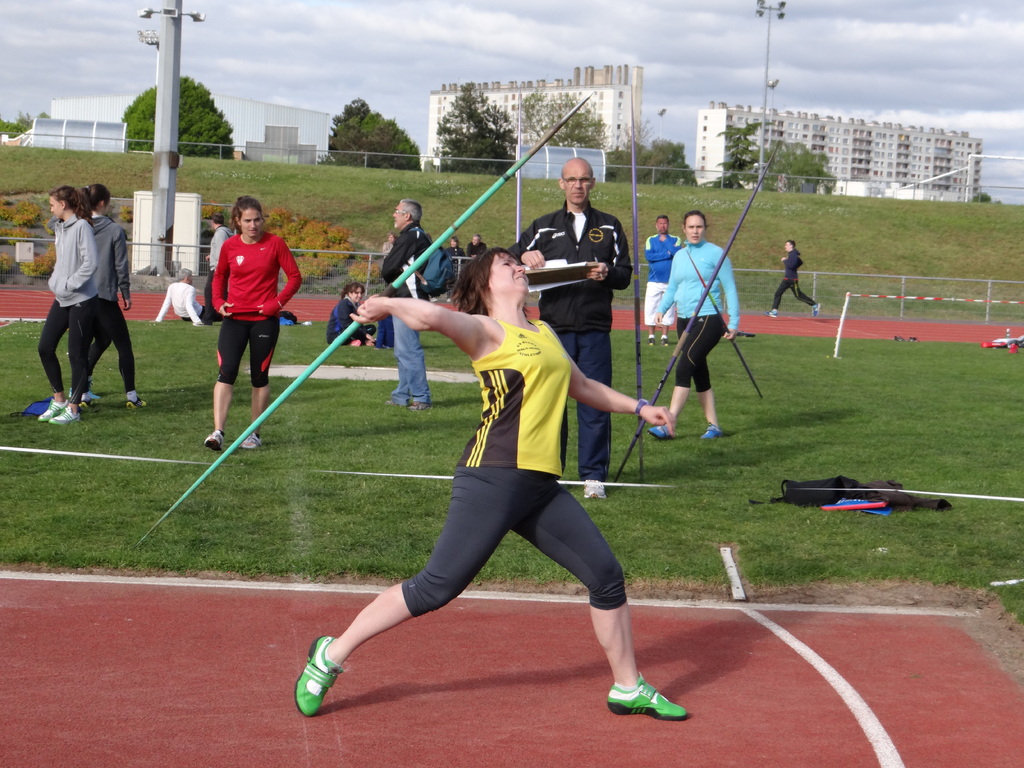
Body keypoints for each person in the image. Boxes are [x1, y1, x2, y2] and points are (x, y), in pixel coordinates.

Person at [293, 247, 687, 723]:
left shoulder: (544, 331)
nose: (519, 267)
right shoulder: (484, 330)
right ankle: (330, 654)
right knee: (436, 588)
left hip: (539, 485)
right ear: (485, 284)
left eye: (518, 263)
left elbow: (582, 386)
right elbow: (430, 317)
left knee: (605, 576)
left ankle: (628, 687)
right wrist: (388, 304)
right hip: (493, 477)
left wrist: (639, 408)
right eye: (507, 264)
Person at [510, 158, 631, 500]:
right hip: (552, 332)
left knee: (595, 403)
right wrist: (525, 258)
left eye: (584, 179)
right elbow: (508, 260)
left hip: (594, 329)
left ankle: (593, 477)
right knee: (551, 404)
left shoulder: (609, 226)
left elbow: (625, 273)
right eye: (572, 179)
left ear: (593, 183)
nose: (578, 185)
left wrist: (608, 272)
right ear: (561, 184)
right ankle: (549, 474)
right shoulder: (542, 227)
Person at [204, 196, 302, 451]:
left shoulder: (275, 243)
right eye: (247, 220)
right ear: (237, 221)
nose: (253, 225)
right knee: (226, 373)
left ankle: (254, 434)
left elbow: (294, 277)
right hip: (234, 320)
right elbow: (219, 276)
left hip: (264, 322)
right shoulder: (230, 246)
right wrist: (218, 301)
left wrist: (275, 304)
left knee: (259, 377)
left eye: (257, 219)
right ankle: (217, 432)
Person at [649, 210, 740, 441]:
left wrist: (734, 322)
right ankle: (714, 426)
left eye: (699, 227)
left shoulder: (716, 254)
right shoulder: (680, 256)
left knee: (684, 367)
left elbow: (730, 288)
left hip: (709, 318)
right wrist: (661, 309)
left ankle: (668, 424)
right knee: (700, 374)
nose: (695, 231)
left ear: (705, 228)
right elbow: (673, 287)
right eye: (691, 227)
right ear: (684, 229)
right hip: (684, 319)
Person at [36, 185, 98, 425]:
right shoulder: (60, 227)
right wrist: (56, 281)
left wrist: (69, 284)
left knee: (76, 355)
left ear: (63, 204)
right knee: (45, 347)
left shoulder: (82, 227)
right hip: (62, 297)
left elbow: (90, 263)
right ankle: (59, 400)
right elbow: (61, 259)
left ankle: (73, 409)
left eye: (53, 204)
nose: (50, 209)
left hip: (81, 299)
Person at [380, 199, 432, 411]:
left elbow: (388, 267)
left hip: (409, 299)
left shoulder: (412, 236)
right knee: (402, 350)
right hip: (404, 298)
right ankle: (401, 395)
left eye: (397, 211)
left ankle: (421, 397)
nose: (394, 215)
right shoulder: (415, 235)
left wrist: (390, 276)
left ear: (407, 216)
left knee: (409, 350)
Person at [643, 215, 680, 347]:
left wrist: (666, 242)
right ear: (656, 225)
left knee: (669, 308)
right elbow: (649, 256)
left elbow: (677, 253)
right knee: (651, 307)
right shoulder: (651, 240)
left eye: (664, 223)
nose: (662, 226)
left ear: (668, 225)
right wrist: (667, 254)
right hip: (654, 281)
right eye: (660, 223)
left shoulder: (675, 239)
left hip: (670, 281)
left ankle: (664, 336)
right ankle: (651, 336)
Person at [766, 239, 819, 317]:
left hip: (792, 279)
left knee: (798, 296)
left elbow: (790, 265)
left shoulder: (793, 254)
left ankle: (814, 305)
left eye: (786, 245)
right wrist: (794, 266)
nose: (785, 246)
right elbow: (799, 262)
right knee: (778, 293)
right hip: (787, 279)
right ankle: (774, 311)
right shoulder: (792, 254)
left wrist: (784, 260)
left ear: (791, 246)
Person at [203, 211, 232, 325]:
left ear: (212, 222)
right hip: (218, 266)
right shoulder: (225, 232)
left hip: (217, 268)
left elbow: (220, 250)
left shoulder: (220, 233)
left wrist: (218, 266)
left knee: (209, 291)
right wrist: (211, 256)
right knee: (220, 292)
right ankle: (222, 316)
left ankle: (208, 318)